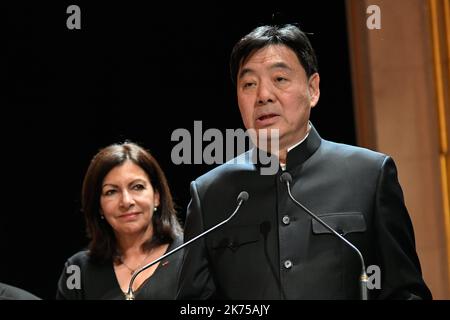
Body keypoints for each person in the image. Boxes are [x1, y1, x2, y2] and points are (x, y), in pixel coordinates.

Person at [177, 24, 432, 299]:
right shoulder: (209, 194)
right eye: (249, 84)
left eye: (280, 79)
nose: (263, 95)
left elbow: (405, 292)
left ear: (313, 89)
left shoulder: (370, 176)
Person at [57, 142, 183, 299]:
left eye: (137, 187)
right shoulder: (77, 270)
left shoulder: (190, 254)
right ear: (99, 207)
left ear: (156, 196)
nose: (126, 201)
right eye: (111, 192)